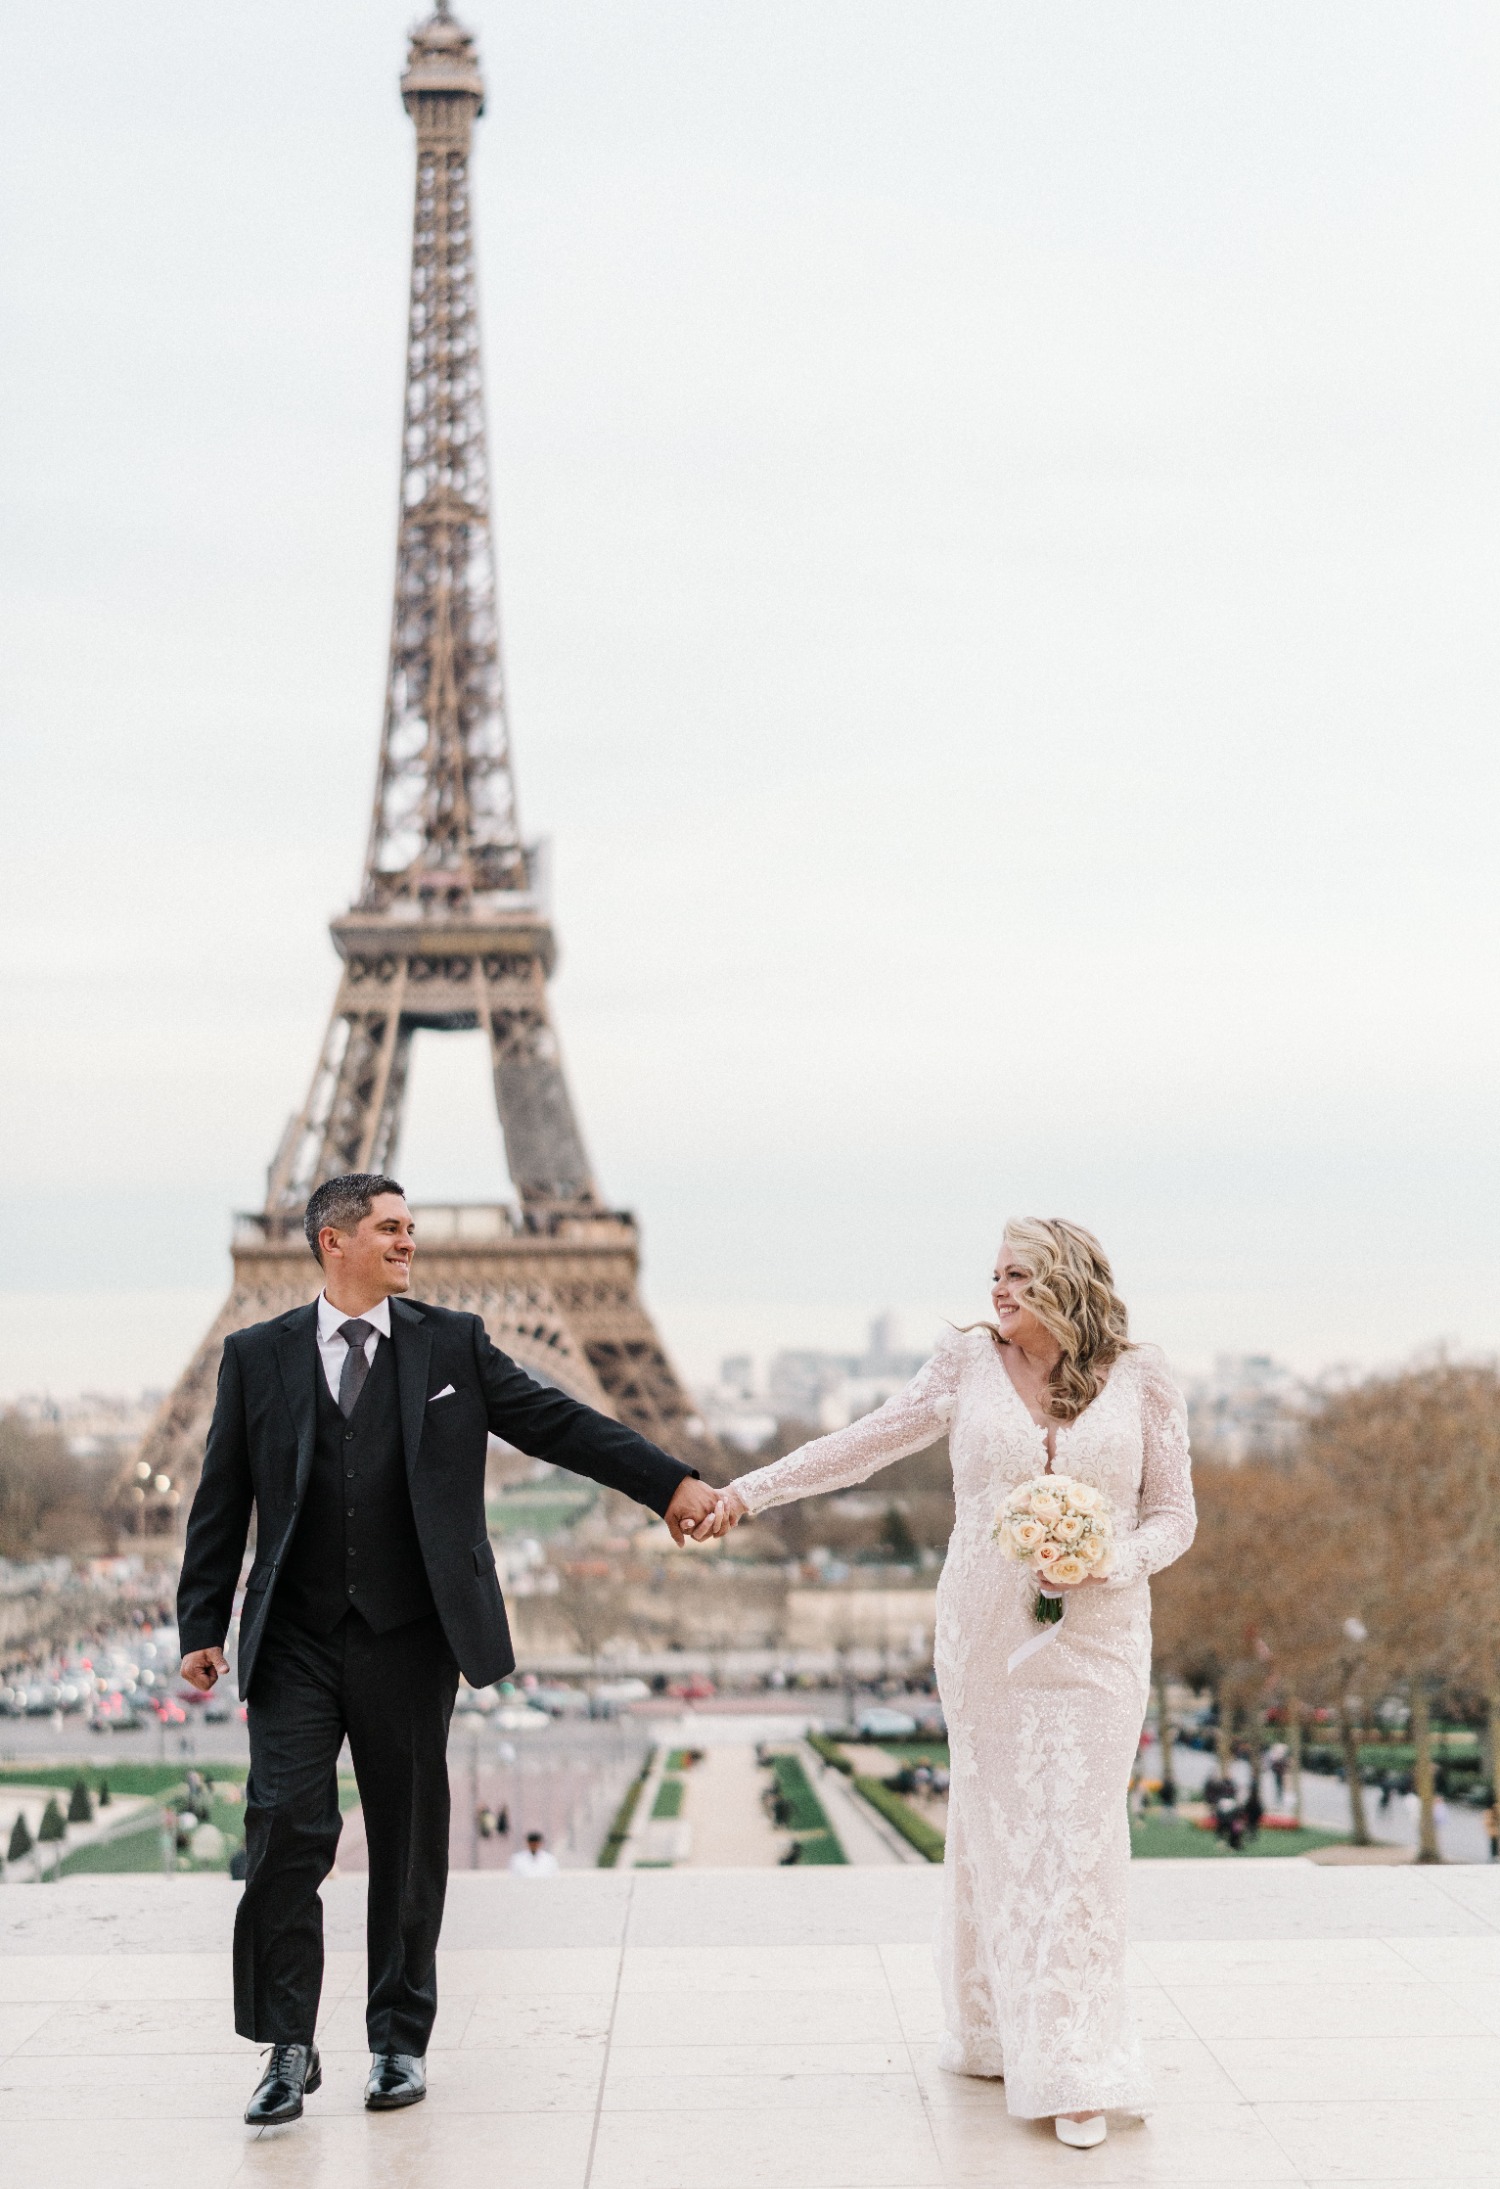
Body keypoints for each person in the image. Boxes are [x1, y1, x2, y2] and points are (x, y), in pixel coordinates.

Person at [177, 1173, 722, 2128]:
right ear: (331, 1242)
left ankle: (396, 2040)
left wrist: (666, 1481)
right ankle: (287, 2044)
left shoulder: (451, 1344)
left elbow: (561, 1422)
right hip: (296, 1638)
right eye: (389, 1228)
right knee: (283, 1832)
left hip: (411, 1633)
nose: (408, 1243)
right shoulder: (256, 1356)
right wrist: (200, 1625)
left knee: (408, 1841)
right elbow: (221, 1497)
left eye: (411, 1228)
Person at [711, 1218, 1195, 2149]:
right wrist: (748, 1491)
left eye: (1016, 1274)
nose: (997, 1290)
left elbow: (1174, 1513)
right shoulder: (964, 1363)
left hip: (1099, 1636)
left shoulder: (1145, 1375)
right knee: (996, 1825)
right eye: (993, 1273)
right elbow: (863, 1444)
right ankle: (990, 2024)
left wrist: (1110, 1560)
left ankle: (1076, 2062)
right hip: (983, 1632)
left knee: (1080, 1834)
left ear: (1064, 1279)